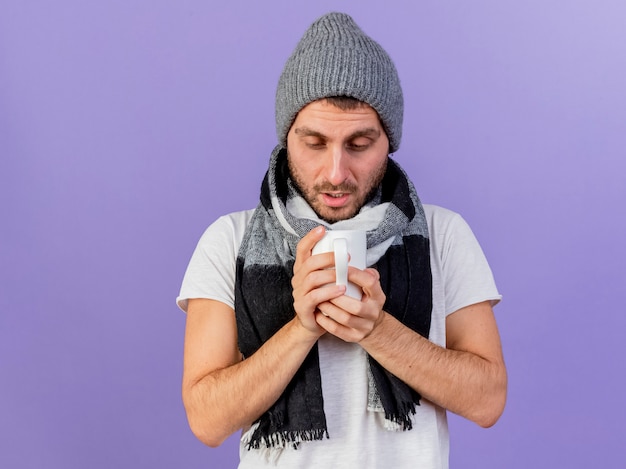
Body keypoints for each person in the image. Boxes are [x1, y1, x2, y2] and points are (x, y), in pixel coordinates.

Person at [177, 11, 506, 469]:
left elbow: (488, 400)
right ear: (286, 138)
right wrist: (302, 328)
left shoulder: (443, 235)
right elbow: (207, 421)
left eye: (359, 144)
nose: (335, 174)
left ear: (388, 142)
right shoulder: (228, 241)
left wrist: (378, 330)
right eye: (314, 143)